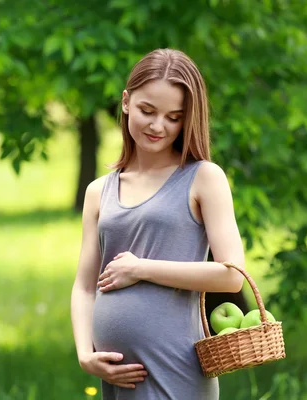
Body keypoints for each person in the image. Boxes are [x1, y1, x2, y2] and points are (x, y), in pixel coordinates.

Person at [70, 48, 246, 400]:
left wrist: (142, 268)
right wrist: (85, 355)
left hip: (176, 369)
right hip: (118, 376)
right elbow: (85, 287)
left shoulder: (203, 178)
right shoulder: (98, 191)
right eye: (147, 111)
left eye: (173, 117)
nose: (157, 126)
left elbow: (231, 273)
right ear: (125, 102)